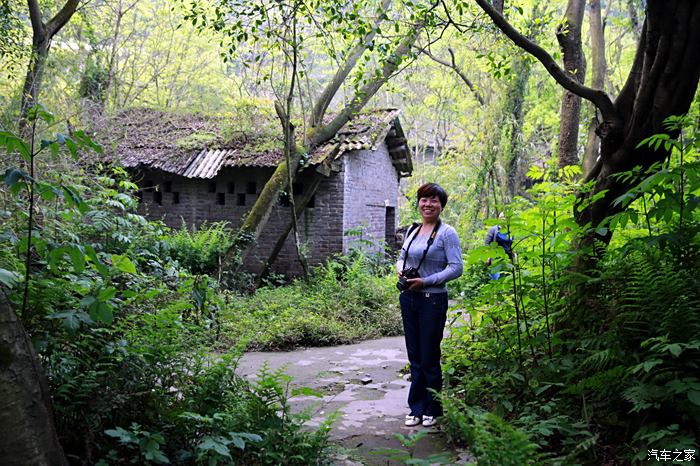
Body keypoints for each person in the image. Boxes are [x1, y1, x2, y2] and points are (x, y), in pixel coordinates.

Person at [396, 183, 463, 427]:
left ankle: (433, 409)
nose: (428, 204)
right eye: (424, 199)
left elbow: (456, 268)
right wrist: (401, 272)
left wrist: (425, 281)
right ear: (418, 203)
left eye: (434, 200)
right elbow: (401, 257)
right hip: (409, 298)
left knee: (429, 356)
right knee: (414, 356)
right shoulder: (413, 230)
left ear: (441, 205)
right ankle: (416, 407)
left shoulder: (447, 233)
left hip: (432, 299)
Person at [484, 212, 513, 279]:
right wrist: (487, 257)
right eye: (501, 217)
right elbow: (487, 244)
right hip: (495, 260)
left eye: (505, 217)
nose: (503, 219)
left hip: (507, 260)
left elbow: (512, 245)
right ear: (498, 219)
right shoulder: (493, 230)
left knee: (506, 281)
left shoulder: (510, 231)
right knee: (496, 280)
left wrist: (515, 258)